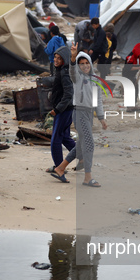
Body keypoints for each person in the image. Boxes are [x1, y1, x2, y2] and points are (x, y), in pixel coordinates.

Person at [51, 43, 107, 186]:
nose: (84, 66)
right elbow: (72, 70)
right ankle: (88, 177)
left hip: (89, 114)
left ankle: (60, 167)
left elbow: (98, 100)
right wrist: (74, 56)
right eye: (81, 64)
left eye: (86, 63)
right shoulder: (77, 77)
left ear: (90, 63)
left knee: (82, 145)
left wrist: (101, 118)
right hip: (79, 113)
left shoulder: (95, 79)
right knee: (89, 145)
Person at [46, 46, 75, 173]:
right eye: (55, 57)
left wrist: (57, 109)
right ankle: (83, 157)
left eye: (59, 58)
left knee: (56, 139)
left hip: (64, 110)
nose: (56, 60)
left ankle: (59, 166)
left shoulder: (65, 72)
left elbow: (68, 94)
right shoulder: (60, 70)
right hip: (66, 109)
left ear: (65, 59)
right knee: (64, 137)